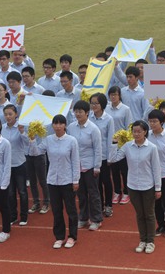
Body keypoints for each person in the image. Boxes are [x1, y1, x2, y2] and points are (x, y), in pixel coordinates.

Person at [27, 115, 80, 249]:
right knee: (56, 210)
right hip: (52, 180)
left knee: (71, 210)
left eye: (60, 123)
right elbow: (36, 152)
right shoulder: (48, 140)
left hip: (67, 180)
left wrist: (75, 180)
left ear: (65, 125)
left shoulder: (71, 141)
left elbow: (75, 161)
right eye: (55, 124)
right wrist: (32, 140)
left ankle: (72, 236)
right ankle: (59, 237)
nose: (57, 126)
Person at [109, 120, 161, 254]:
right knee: (139, 214)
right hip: (133, 185)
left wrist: (158, 188)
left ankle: (150, 241)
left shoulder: (152, 148)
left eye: (139, 131)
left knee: (149, 214)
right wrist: (114, 143)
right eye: (134, 131)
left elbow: (156, 169)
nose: (136, 134)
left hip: (147, 185)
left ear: (145, 132)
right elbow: (112, 159)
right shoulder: (127, 146)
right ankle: (142, 240)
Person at [68, 100, 103, 231]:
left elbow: (97, 149)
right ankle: (83, 218)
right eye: (76, 111)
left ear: (87, 113)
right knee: (80, 193)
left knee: (93, 193)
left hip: (90, 165)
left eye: (80, 112)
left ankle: (96, 219)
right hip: (76, 166)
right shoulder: (71, 127)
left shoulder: (93, 129)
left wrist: (97, 166)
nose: (78, 114)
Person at [1, 105, 30, 227]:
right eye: (6, 114)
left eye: (10, 114)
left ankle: (24, 216)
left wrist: (22, 132)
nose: (8, 117)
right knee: (10, 192)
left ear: (16, 114)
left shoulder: (21, 127)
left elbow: (28, 142)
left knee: (22, 191)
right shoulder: (2, 128)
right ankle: (13, 216)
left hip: (19, 163)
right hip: (7, 165)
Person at [89, 93, 116, 218]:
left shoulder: (108, 119)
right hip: (92, 155)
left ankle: (108, 205)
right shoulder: (89, 117)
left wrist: (111, 156)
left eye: (96, 103)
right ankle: (99, 206)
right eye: (92, 103)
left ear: (102, 104)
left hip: (104, 155)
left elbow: (110, 138)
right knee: (96, 183)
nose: (94, 106)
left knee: (106, 181)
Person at [106, 86, 132, 205]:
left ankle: (126, 192)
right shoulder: (106, 108)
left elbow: (129, 126)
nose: (113, 97)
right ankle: (117, 191)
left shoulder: (125, 109)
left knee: (124, 170)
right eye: (111, 95)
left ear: (119, 95)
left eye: (115, 94)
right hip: (112, 144)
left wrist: (125, 140)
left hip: (123, 143)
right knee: (114, 170)